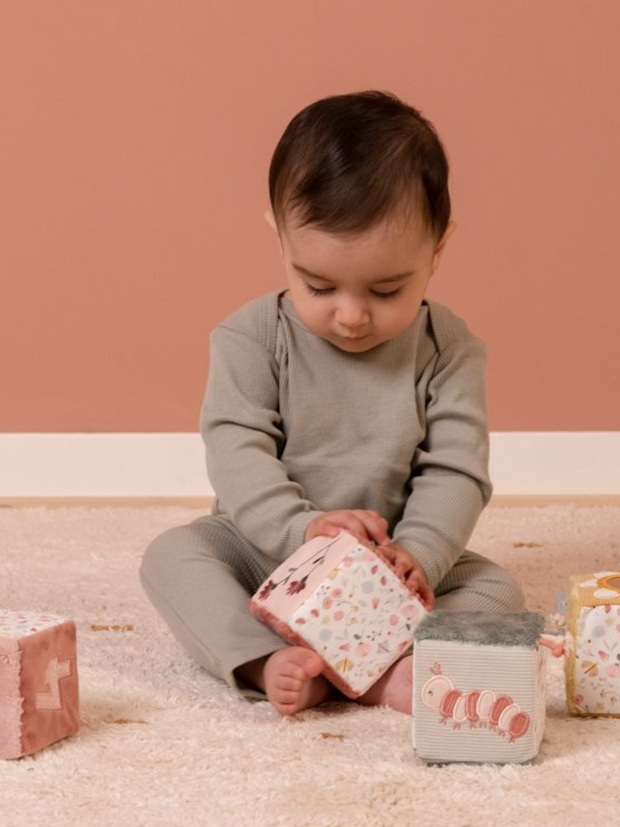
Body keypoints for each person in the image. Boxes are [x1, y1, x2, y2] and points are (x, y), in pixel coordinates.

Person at [140, 90, 525, 717]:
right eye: (318, 285)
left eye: (386, 288)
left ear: (438, 248)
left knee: (495, 586)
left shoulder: (450, 349)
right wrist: (303, 533)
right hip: (270, 551)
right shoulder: (250, 337)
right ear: (279, 235)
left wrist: (419, 555)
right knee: (174, 555)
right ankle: (266, 659)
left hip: (394, 557)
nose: (350, 316)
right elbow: (237, 452)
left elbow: (456, 470)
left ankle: (382, 666)